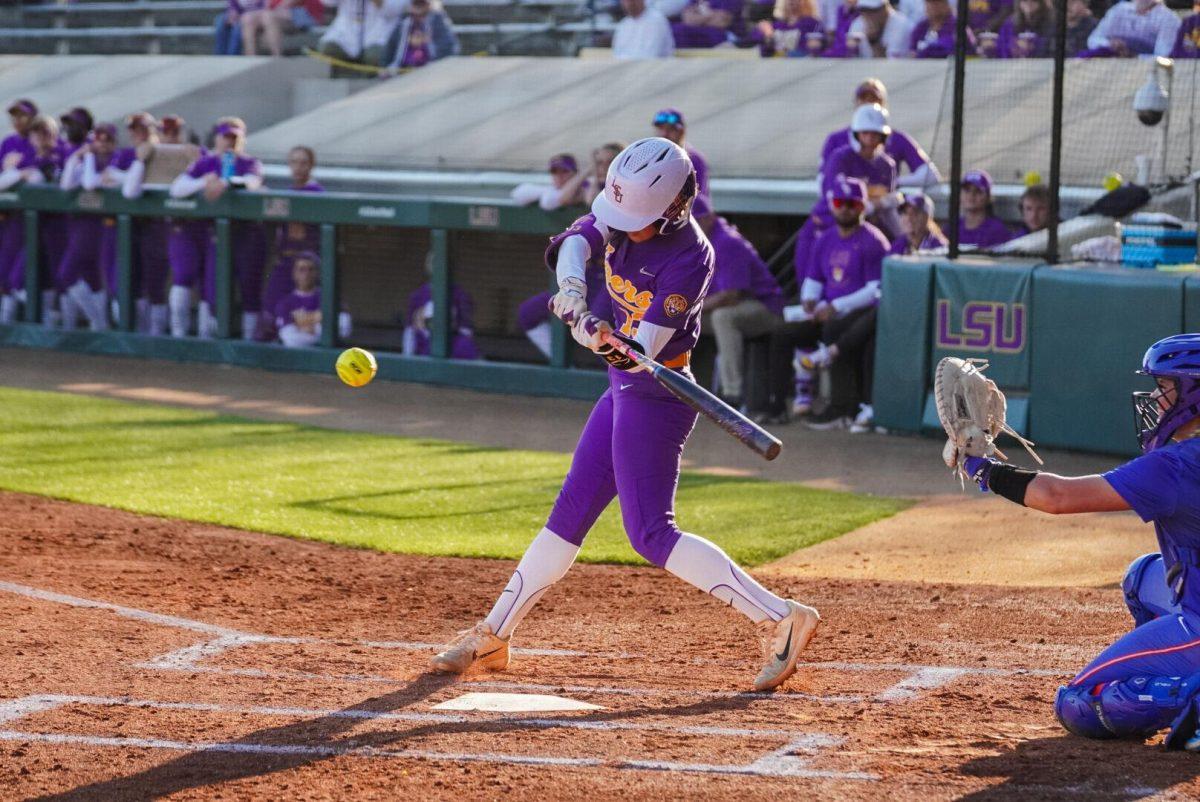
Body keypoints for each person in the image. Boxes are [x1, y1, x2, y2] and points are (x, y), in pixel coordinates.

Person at [428, 138, 821, 692]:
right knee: (568, 514)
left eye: (636, 220)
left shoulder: (691, 256)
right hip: (621, 390)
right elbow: (576, 242)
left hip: (656, 395)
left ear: (672, 209)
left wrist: (594, 333)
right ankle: (493, 635)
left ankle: (780, 617)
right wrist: (570, 289)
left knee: (651, 533)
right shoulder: (621, 209)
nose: (623, 226)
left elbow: (643, 350)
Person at [960, 334, 1200, 751]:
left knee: (1079, 703)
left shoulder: (1175, 466)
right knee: (1142, 575)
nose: (1157, 398)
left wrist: (981, 466)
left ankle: (1189, 695)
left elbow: (1059, 497)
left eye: (1166, 387)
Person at [764, 176, 885, 432]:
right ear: (832, 204)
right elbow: (814, 278)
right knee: (783, 333)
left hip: (857, 314)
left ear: (862, 207)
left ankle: (841, 408)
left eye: (851, 203)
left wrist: (836, 307)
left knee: (833, 330)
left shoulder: (873, 241)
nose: (845, 208)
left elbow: (875, 290)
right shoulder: (826, 238)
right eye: (840, 202)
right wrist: (809, 299)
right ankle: (775, 406)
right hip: (825, 312)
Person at [168, 118, 265, 340]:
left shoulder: (250, 163)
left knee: (247, 289)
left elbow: (252, 182)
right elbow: (177, 189)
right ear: (217, 138)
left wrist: (226, 182)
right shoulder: (206, 163)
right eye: (226, 137)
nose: (230, 142)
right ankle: (195, 338)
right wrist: (204, 181)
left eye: (235, 138)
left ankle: (248, 342)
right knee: (207, 287)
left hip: (246, 235)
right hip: (212, 236)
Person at [797, 102, 897, 296]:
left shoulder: (887, 165)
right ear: (856, 134)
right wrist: (873, 204)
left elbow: (885, 205)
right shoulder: (840, 158)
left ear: (883, 136)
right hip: (825, 229)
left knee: (854, 291)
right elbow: (834, 199)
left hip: (858, 235)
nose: (869, 139)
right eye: (864, 133)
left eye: (874, 134)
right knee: (812, 292)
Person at [695, 196, 784, 408]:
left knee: (722, 317)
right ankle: (684, 390)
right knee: (677, 320)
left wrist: (694, 308)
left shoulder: (726, 242)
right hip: (734, 306)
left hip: (767, 308)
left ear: (710, 218)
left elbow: (731, 295)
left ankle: (732, 394)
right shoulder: (698, 242)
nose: (693, 225)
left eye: (697, 220)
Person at [58, 121, 124, 333]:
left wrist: (87, 158)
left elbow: (88, 184)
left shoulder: (117, 160)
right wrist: (80, 156)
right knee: (90, 278)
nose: (103, 144)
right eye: (99, 139)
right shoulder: (89, 160)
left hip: (104, 226)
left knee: (71, 275)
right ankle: (99, 322)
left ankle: (100, 323)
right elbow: (67, 184)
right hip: (82, 225)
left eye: (108, 140)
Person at [0, 115, 64, 328]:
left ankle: (47, 322)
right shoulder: (27, 156)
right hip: (22, 227)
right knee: (11, 279)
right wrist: (16, 172)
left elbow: (40, 179)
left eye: (44, 132)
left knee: (36, 279)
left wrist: (18, 172)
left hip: (51, 228)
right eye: (36, 132)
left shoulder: (57, 156)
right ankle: (11, 326)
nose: (40, 137)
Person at [820, 80, 940, 190]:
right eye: (863, 99)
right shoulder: (837, 146)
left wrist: (893, 182)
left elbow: (930, 174)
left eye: (873, 99)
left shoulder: (889, 158)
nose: (868, 104)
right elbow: (824, 180)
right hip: (846, 206)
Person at [258, 145, 325, 342]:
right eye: (294, 162)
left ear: (311, 165)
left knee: (310, 312)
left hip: (307, 261)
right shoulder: (286, 192)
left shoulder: (317, 192)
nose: (298, 167)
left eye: (303, 162)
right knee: (270, 309)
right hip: (284, 261)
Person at [402, 252, 481, 360]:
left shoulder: (460, 295)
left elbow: (466, 330)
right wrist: (408, 359)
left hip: (453, 351)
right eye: (433, 263)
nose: (438, 267)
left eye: (443, 263)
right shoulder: (417, 296)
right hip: (423, 352)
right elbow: (409, 333)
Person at [274, 252, 352, 348]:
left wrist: (303, 325)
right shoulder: (285, 303)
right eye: (301, 269)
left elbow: (344, 330)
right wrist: (319, 324)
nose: (306, 274)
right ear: (294, 273)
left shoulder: (330, 298)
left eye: (311, 269)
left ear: (317, 273)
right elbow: (290, 338)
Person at [318, 0, 406, 67]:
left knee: (374, 56)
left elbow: (395, 9)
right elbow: (327, 2)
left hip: (379, 33)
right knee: (327, 49)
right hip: (345, 31)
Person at [1082, 0, 1180, 57]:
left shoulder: (1169, 18)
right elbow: (1093, 40)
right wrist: (1110, 44)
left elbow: (1163, 56)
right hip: (1110, 68)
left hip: (1146, 72)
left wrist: (1133, 56)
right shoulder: (1119, 10)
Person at [383, 0, 459, 71]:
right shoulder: (404, 23)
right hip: (404, 69)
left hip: (432, 69)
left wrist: (425, 42)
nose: (418, 8)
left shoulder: (438, 21)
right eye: (416, 4)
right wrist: (387, 67)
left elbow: (451, 48)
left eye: (421, 4)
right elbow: (390, 49)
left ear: (428, 5)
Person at [652, 108, 709, 200]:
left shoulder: (693, 159)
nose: (665, 133)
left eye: (671, 129)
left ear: (682, 132)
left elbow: (697, 200)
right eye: (661, 128)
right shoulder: (651, 157)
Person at [241, 0, 323, 57]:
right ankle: (250, 57)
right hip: (276, 12)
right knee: (247, 18)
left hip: (301, 12)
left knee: (268, 16)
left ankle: (277, 56)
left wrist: (277, 8)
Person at [957, 169, 1012, 249]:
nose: (971, 195)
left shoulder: (996, 230)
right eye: (967, 190)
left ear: (989, 197)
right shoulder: (953, 226)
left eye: (978, 191)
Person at [510, 154, 586, 211]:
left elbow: (549, 202)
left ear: (575, 173)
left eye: (564, 171)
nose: (559, 175)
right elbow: (516, 194)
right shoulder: (551, 189)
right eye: (554, 171)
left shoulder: (585, 186)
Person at [845, 0, 915, 57]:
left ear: (884, 8)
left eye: (871, 10)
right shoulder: (858, 23)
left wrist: (873, 41)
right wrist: (850, 49)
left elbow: (890, 66)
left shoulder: (902, 24)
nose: (867, 14)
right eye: (863, 9)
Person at [753, 0, 823, 56]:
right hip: (777, 65)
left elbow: (815, 48)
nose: (791, 1)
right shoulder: (777, 25)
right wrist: (768, 36)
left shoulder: (811, 23)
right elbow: (765, 52)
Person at [910, 0, 975, 57]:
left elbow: (946, 48)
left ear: (947, 4)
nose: (933, 6)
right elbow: (912, 52)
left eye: (938, 3)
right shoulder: (921, 27)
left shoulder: (957, 25)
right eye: (930, 3)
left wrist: (923, 53)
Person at [671, 0, 745, 49]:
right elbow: (687, 17)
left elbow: (722, 22)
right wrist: (709, 15)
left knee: (680, 31)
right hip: (696, 29)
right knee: (674, 30)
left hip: (723, 35)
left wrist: (698, 16)